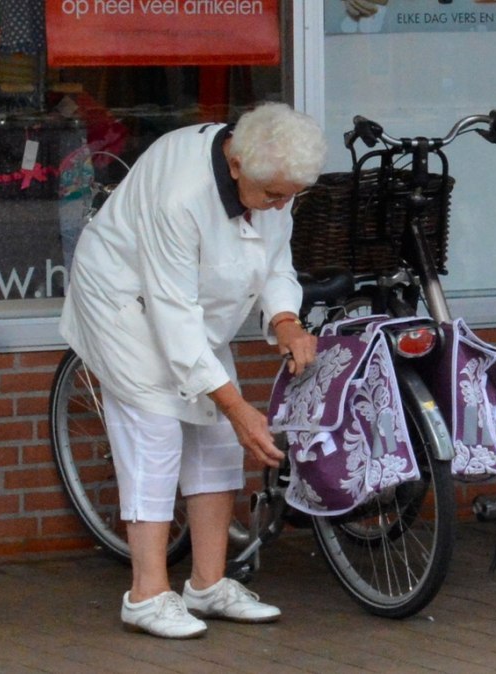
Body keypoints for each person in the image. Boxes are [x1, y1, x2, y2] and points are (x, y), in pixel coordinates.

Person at [59, 102, 326, 639]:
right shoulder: (181, 193)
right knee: (155, 433)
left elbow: (276, 262)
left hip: (189, 303)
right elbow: (173, 316)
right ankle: (147, 594)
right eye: (274, 195)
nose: (281, 206)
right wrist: (237, 407)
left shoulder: (273, 179)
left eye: (291, 196)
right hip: (124, 298)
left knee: (219, 440)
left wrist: (286, 319)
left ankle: (207, 585)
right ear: (235, 167)